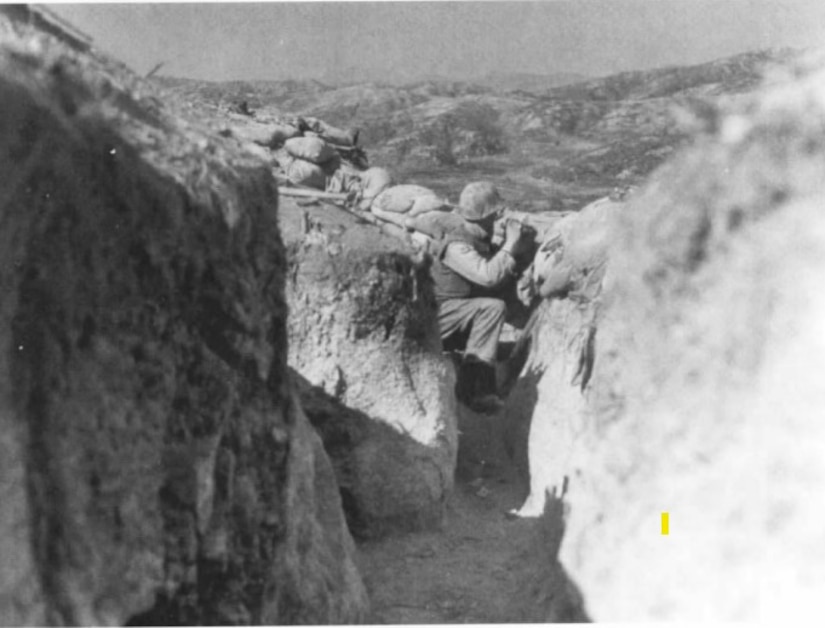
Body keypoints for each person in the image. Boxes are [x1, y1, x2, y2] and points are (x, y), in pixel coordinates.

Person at [429, 181, 531, 412]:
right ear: (490, 215)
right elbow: (488, 277)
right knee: (491, 308)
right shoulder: (457, 245)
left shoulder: (479, 239)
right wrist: (511, 244)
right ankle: (478, 390)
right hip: (438, 315)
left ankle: (479, 368)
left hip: (457, 313)